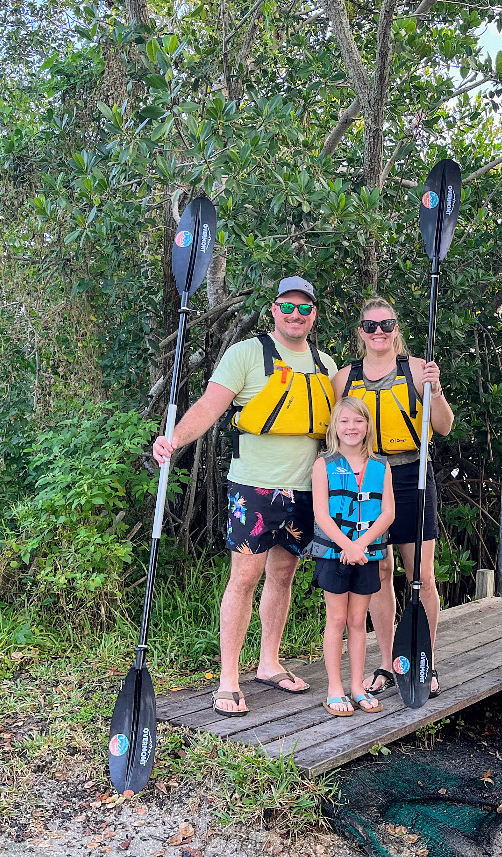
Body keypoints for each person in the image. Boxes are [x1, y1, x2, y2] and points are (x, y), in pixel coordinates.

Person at [152, 276, 336, 716]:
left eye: (304, 308)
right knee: (245, 577)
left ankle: (269, 663)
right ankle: (228, 678)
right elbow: (209, 406)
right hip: (254, 486)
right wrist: (172, 440)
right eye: (287, 307)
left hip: (305, 488)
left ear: (314, 315)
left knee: (284, 574)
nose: (296, 315)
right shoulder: (247, 354)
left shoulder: (325, 364)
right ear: (274, 310)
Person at [331, 297, 455, 697]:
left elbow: (445, 426)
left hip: (411, 473)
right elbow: (334, 432)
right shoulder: (345, 377)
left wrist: (434, 392)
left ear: (396, 328)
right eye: (370, 326)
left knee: (421, 575)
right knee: (380, 573)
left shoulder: (419, 369)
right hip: (366, 478)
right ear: (360, 332)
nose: (379, 332)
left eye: (386, 324)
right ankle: (388, 663)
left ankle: (424, 661)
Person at [309, 397, 395, 716]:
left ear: (367, 426)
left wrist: (361, 545)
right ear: (335, 427)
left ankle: (358, 687)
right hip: (335, 552)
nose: (351, 427)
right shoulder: (324, 464)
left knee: (358, 621)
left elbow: (387, 512)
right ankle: (335, 688)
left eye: (358, 421)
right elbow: (321, 513)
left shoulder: (380, 466)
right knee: (337, 619)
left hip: (367, 554)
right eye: (344, 421)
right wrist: (348, 544)